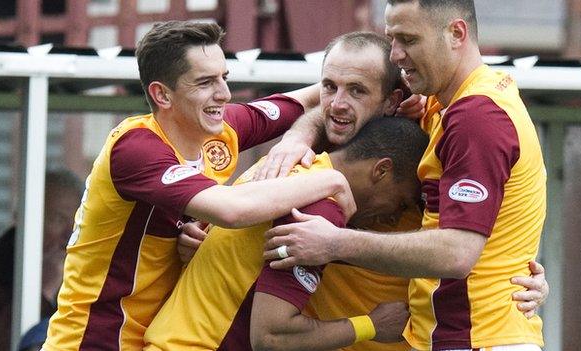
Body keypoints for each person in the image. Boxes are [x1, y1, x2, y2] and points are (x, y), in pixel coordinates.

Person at [178, 30, 549, 351]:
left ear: (393, 101)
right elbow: (264, 321)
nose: (338, 104)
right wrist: (194, 237)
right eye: (329, 87)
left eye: (357, 90)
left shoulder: (426, 145)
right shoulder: (298, 169)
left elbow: (474, 236)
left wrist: (520, 277)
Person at [42, 21, 357, 351]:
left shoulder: (218, 131)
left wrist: (386, 84)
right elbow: (233, 211)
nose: (224, 93)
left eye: (224, 77)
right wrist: (330, 180)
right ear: (162, 94)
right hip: (92, 340)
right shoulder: (136, 147)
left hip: (151, 338)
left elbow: (307, 99)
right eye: (206, 82)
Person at [144, 117, 428, 350]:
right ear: (381, 170)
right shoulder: (319, 211)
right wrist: (372, 325)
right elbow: (271, 336)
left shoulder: (283, 166)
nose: (395, 216)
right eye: (401, 202)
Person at [0, 169, 83, 351]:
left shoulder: (81, 275)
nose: (69, 235)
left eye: (76, 223)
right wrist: (44, 290)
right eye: (59, 219)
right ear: (27, 219)